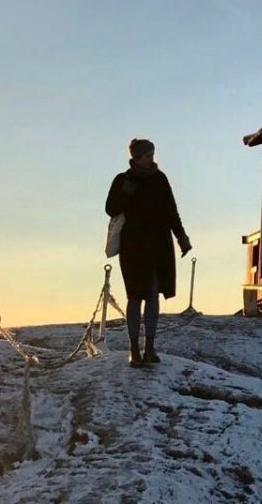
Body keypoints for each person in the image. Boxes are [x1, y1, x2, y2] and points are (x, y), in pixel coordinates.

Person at [105, 138, 192, 367]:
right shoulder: (123, 180)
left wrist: (182, 238)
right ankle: (134, 349)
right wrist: (127, 191)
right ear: (136, 157)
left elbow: (171, 210)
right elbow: (110, 208)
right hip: (133, 247)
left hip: (158, 245)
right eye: (147, 156)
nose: (151, 159)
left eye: (152, 155)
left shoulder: (160, 179)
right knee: (134, 296)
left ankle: (150, 347)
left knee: (153, 294)